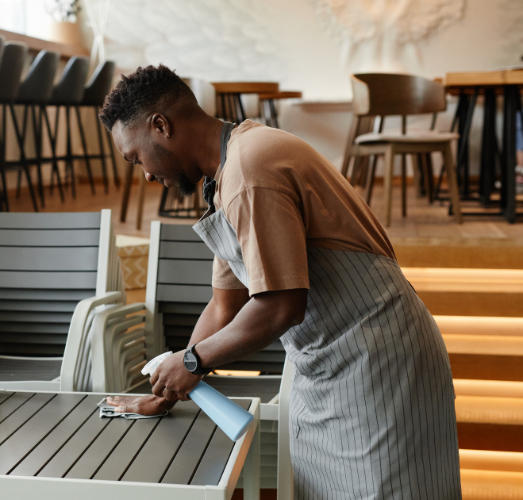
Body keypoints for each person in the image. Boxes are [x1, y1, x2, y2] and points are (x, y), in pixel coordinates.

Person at [99, 65, 461, 498]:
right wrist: (168, 389)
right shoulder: (224, 177)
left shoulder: (252, 169)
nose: (145, 175)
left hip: (378, 363)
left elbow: (280, 305)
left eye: (136, 158)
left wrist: (192, 362)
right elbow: (223, 306)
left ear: (161, 126)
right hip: (325, 369)